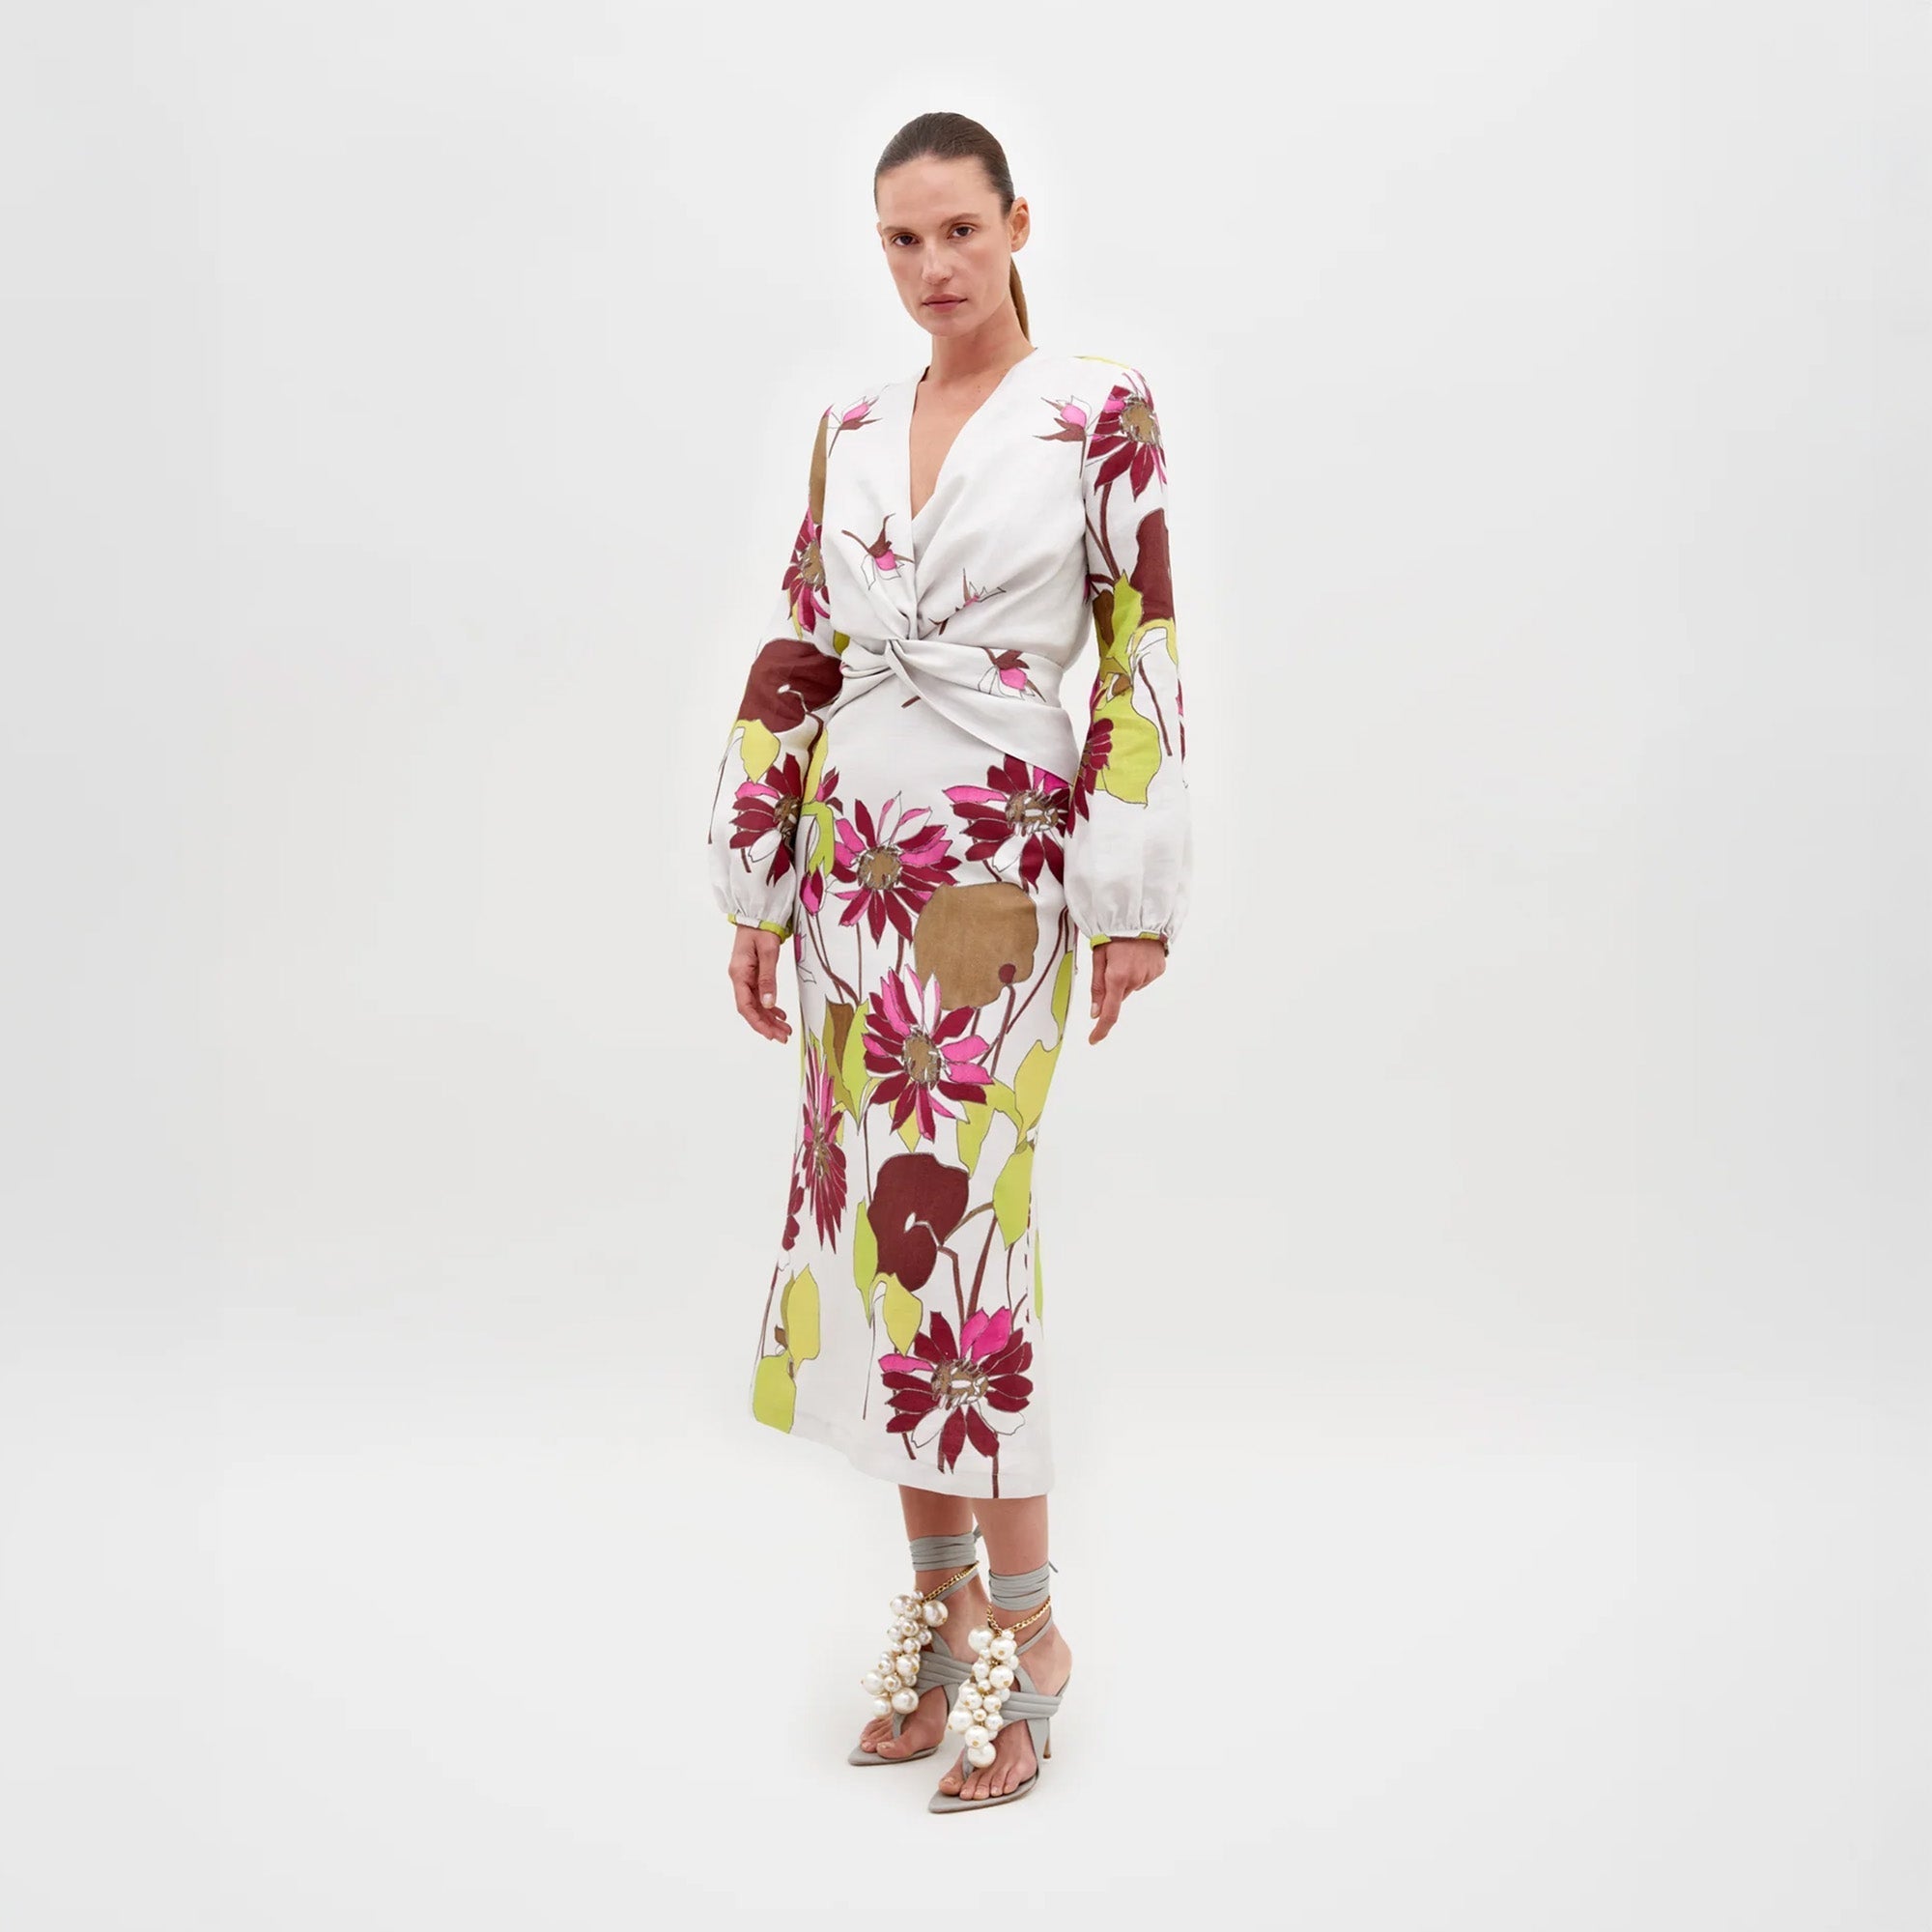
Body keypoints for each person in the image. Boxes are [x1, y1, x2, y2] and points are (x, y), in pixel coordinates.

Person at [703, 111, 1191, 1810]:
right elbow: (800, 642)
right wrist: (756, 875)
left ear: (1017, 223)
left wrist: (1129, 896)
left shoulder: (1094, 411)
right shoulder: (848, 429)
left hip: (993, 879)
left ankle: (1033, 1631)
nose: (933, 268)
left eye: (960, 232)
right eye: (903, 241)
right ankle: (940, 1604)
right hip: (848, 879)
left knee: (966, 1243)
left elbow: (1139, 640)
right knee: (880, 1246)